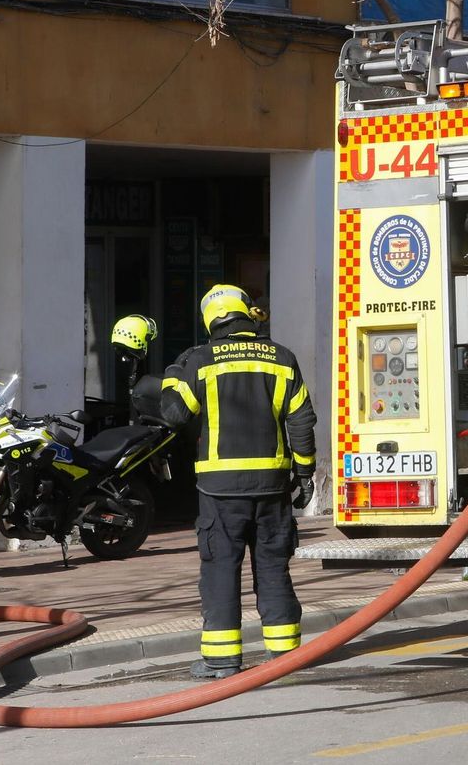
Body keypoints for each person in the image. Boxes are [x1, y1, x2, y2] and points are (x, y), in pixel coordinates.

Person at [162, 284, 317, 679]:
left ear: (211, 320)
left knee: (220, 570)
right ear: (247, 313)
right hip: (272, 487)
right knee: (272, 567)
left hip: (220, 490)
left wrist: (173, 372)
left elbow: (174, 414)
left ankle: (222, 660)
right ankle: (285, 656)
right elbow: (300, 420)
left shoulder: (200, 360)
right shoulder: (282, 358)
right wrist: (304, 472)